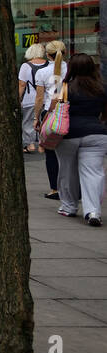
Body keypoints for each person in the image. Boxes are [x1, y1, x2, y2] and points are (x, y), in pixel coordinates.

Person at [52, 53, 107, 226]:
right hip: (97, 133)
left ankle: (69, 206)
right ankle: (93, 211)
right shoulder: (102, 87)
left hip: (68, 133)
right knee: (94, 173)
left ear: (71, 68)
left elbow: (55, 108)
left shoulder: (66, 87)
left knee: (67, 171)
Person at [35, 40, 68, 199]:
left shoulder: (42, 72)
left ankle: (55, 189)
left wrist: (36, 118)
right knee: (69, 152)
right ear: (65, 52)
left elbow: (39, 98)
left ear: (47, 55)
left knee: (51, 153)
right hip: (68, 113)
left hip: (50, 113)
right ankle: (71, 187)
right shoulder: (70, 69)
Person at [18, 44, 48, 154]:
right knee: (44, 121)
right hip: (46, 98)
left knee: (28, 121)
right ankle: (43, 143)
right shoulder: (48, 64)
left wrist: (18, 98)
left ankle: (30, 144)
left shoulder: (26, 66)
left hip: (30, 99)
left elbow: (22, 85)